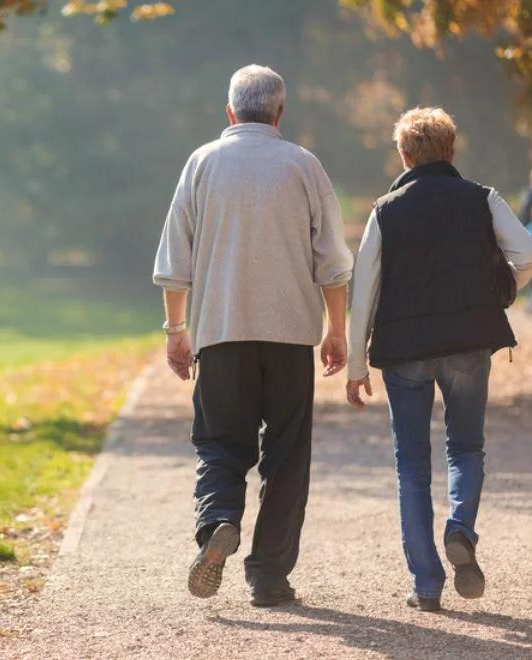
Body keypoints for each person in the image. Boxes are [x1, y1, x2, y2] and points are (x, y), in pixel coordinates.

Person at [153, 64, 353, 607]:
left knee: (219, 442)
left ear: (230, 112)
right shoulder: (303, 165)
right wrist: (337, 330)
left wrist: (177, 330)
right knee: (287, 457)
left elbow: (176, 260)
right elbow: (333, 262)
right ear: (279, 113)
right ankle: (268, 577)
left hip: (221, 334)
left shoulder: (202, 163)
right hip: (290, 338)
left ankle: (218, 521)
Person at [345, 107, 532, 612]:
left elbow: (364, 287)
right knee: (466, 449)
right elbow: (531, 254)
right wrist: (500, 290)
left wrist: (355, 363)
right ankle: (461, 530)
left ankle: (426, 585)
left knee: (411, 466)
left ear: (404, 155)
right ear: (451, 151)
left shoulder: (385, 210)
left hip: (404, 351)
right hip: (469, 341)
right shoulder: (483, 199)